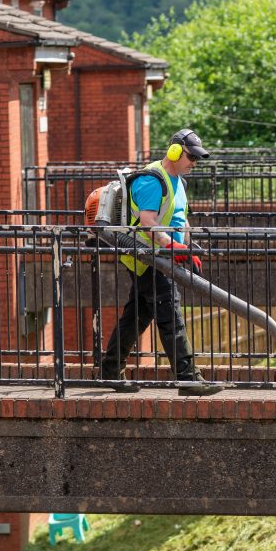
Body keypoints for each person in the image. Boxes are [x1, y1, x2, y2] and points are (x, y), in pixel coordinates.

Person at [100, 128, 223, 396]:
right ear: (175, 151)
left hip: (163, 257)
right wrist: (174, 246)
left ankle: (110, 369)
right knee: (171, 315)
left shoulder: (178, 180)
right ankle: (189, 379)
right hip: (149, 258)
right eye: (191, 157)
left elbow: (180, 218)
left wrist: (188, 246)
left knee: (137, 316)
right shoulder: (152, 180)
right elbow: (148, 224)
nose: (194, 163)